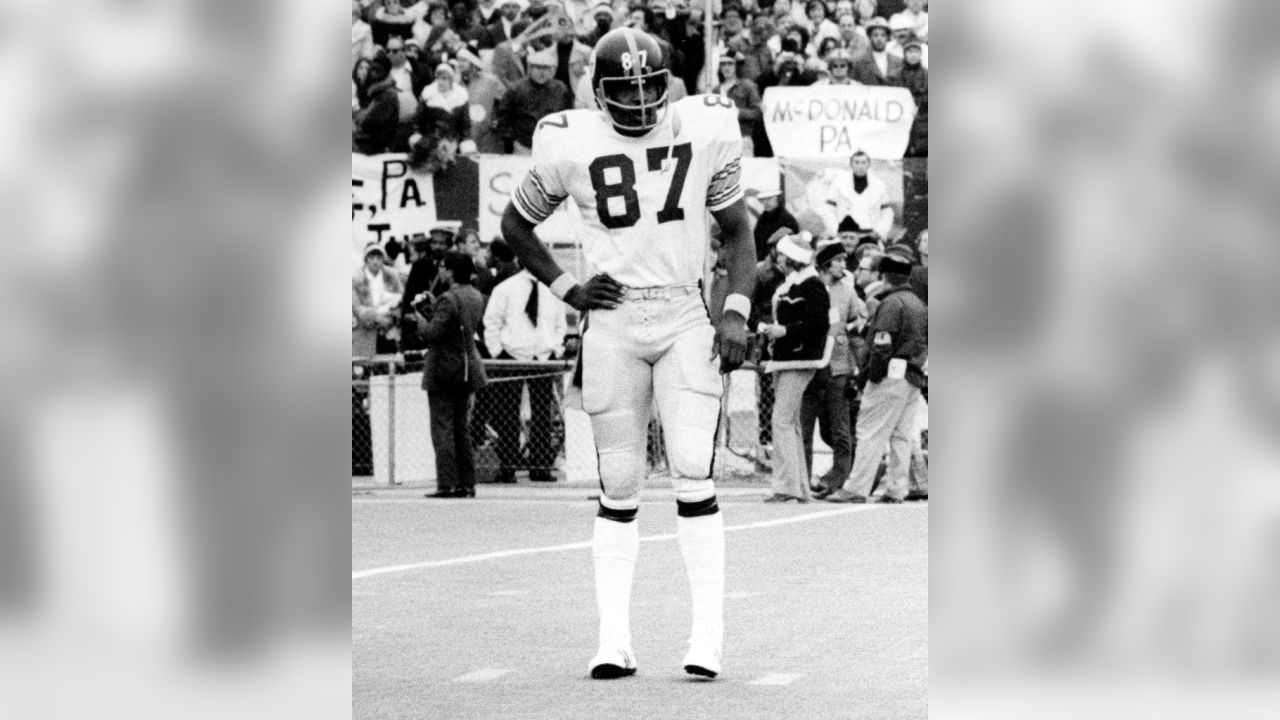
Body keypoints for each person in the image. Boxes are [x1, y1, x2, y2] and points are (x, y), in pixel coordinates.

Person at [499, 28, 755, 680]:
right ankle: (614, 640)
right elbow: (514, 225)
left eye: (649, 84)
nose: (640, 98)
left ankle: (707, 639)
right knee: (618, 484)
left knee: (693, 468)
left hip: (681, 312)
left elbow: (738, 232)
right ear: (599, 90)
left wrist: (735, 311)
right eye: (626, 87)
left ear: (667, 81)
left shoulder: (705, 127)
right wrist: (568, 288)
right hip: (611, 317)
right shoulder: (569, 139)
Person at [826, 246, 926, 503]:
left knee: (869, 432)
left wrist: (872, 376)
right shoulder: (918, 303)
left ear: (885, 276)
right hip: (912, 374)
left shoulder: (891, 304)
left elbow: (881, 345)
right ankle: (897, 488)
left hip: (889, 375)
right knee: (901, 435)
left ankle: (856, 487)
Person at [755, 234, 830, 503]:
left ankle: (786, 486)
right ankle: (798, 486)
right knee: (791, 423)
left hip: (800, 358)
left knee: (782, 421)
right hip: (787, 358)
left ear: (791, 259)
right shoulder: (794, 284)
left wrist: (784, 330)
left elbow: (819, 326)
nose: (778, 260)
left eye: (781, 256)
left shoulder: (812, 286)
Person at [483, 267, 569, 483]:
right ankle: (508, 466)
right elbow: (491, 321)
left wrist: (555, 348)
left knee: (542, 414)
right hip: (513, 355)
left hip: (542, 356)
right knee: (507, 414)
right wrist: (497, 353)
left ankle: (540, 466)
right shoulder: (506, 288)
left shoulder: (552, 291)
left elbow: (561, 324)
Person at [415, 252, 488, 498]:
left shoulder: (448, 298)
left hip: (443, 368)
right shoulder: (475, 295)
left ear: (452, 271)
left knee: (442, 428)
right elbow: (458, 324)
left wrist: (419, 315)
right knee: (461, 429)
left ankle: (446, 482)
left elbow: (432, 332)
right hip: (467, 367)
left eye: (445, 267)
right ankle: (467, 482)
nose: (442, 271)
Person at [805, 241, 866, 499]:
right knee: (807, 426)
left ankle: (838, 479)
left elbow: (861, 317)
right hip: (812, 362)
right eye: (839, 260)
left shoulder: (848, 290)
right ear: (826, 264)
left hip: (838, 365)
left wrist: (852, 327)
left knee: (841, 428)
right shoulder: (811, 286)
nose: (844, 264)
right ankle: (803, 478)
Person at [494, 45, 573, 154]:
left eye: (546, 68)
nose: (542, 72)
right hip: (523, 145)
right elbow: (504, 117)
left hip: (551, 145)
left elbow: (568, 115)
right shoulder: (516, 89)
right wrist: (510, 141)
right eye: (538, 68)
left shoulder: (560, 89)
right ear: (529, 69)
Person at [820, 149, 895, 242]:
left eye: (863, 162)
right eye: (857, 162)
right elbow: (828, 210)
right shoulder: (838, 183)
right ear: (851, 164)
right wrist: (836, 232)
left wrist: (879, 232)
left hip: (870, 235)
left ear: (868, 164)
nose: (860, 166)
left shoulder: (879, 185)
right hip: (845, 236)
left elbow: (887, 213)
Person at [353, 243, 404, 357]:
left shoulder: (391, 275)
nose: (375, 261)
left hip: (389, 330)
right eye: (371, 258)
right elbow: (357, 308)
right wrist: (377, 317)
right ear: (366, 260)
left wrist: (392, 317)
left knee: (390, 365)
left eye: (379, 257)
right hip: (365, 330)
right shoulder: (356, 279)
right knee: (364, 366)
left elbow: (401, 298)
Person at [352, 52, 401, 155]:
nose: (373, 73)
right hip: (368, 136)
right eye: (372, 70)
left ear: (386, 72)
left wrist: (355, 116)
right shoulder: (374, 90)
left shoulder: (388, 94)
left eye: (378, 70)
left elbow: (369, 122)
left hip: (376, 143)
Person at [712, 52, 762, 142]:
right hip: (720, 139)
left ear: (736, 66)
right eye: (723, 64)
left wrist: (737, 112)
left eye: (730, 64)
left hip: (742, 137)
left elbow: (757, 112)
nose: (726, 68)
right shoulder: (716, 90)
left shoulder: (748, 86)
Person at [849, 17, 902, 86]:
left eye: (883, 35)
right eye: (875, 35)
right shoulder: (859, 61)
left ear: (887, 38)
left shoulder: (898, 61)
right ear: (870, 37)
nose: (879, 39)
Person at [753, 189, 798, 261]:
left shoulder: (787, 219)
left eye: (769, 199)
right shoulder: (762, 219)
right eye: (763, 200)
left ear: (777, 198)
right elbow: (756, 241)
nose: (766, 202)